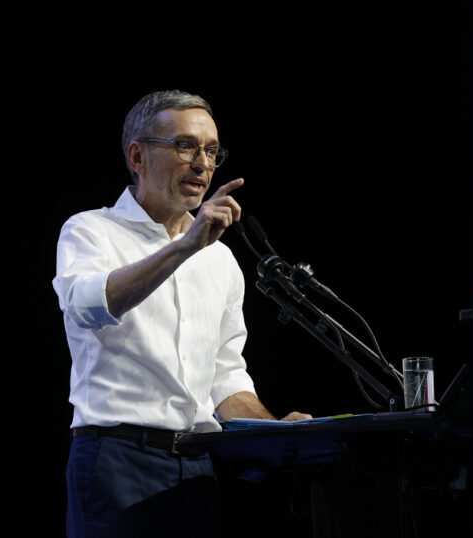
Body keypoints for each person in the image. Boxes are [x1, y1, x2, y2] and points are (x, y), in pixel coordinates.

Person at [52, 89, 311, 537]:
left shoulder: (221, 261)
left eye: (212, 151)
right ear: (137, 156)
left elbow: (226, 379)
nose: (203, 164)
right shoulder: (90, 230)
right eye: (185, 146)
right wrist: (184, 246)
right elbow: (89, 306)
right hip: (117, 461)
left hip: (198, 466)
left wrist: (275, 433)